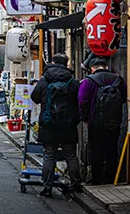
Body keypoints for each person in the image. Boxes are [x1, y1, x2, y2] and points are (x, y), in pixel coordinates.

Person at [30, 54, 82, 197]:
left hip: (49, 124)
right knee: (71, 155)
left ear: (52, 62)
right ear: (66, 64)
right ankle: (76, 185)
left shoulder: (44, 80)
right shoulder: (73, 81)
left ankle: (47, 187)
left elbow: (34, 98)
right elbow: (80, 100)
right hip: (69, 124)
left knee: (49, 155)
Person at [78, 58, 127, 185]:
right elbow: (123, 98)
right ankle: (111, 178)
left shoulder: (88, 81)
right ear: (106, 67)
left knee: (96, 151)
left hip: (95, 122)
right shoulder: (118, 80)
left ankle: (97, 180)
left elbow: (82, 101)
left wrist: (85, 118)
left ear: (92, 69)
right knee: (111, 150)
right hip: (114, 121)